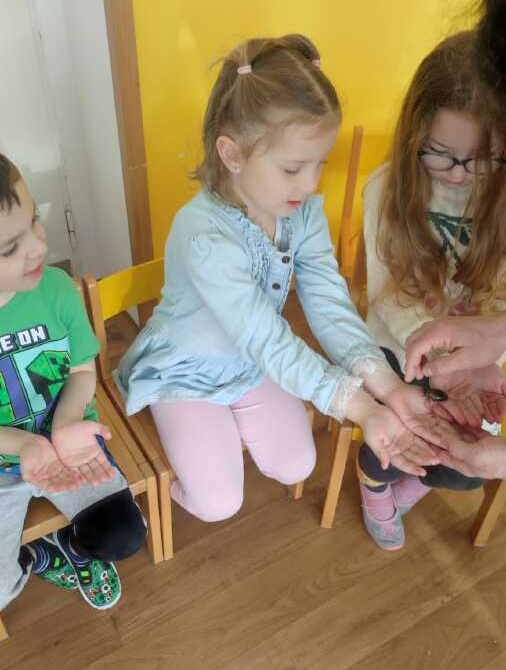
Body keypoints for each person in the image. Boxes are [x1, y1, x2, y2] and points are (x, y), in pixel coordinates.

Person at [117, 34, 442, 532]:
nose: (310, 184)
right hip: (187, 372)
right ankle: (166, 484)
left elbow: (329, 304)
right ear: (232, 154)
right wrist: (359, 405)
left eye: (319, 164)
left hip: (251, 362)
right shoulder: (203, 234)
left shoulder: (302, 213)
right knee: (218, 502)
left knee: (297, 465)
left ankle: (215, 438)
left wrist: (388, 387)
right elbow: (265, 337)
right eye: (293, 168)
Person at [357, 30, 506, 550]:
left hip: (479, 354)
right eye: (441, 154)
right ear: (414, 136)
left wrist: (482, 357)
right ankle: (374, 481)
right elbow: (387, 298)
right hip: (399, 343)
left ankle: (412, 481)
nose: (461, 175)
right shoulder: (384, 190)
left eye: (482, 158)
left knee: (465, 462)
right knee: (402, 434)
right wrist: (443, 359)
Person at [0, 154, 147, 614]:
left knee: (123, 534)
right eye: (10, 248)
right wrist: (24, 445)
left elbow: (82, 371)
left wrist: (63, 423)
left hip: (69, 445)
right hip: (4, 463)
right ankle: (35, 557)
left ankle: (70, 549)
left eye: (34, 220)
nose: (38, 246)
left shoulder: (56, 288)